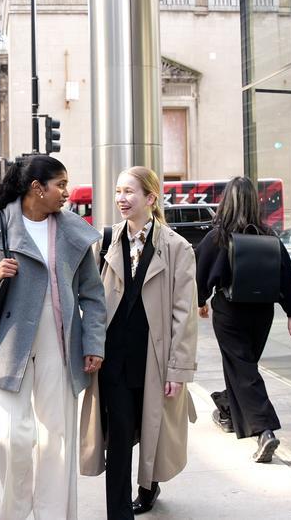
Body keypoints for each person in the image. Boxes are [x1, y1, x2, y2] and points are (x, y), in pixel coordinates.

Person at [0, 155, 106, 520]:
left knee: (57, 437)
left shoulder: (72, 229)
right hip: (12, 346)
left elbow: (92, 294)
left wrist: (93, 344)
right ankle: (14, 513)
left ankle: (54, 514)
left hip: (61, 344)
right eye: (60, 185)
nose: (66, 193)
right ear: (37, 189)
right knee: (14, 437)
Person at [80, 166, 198, 517]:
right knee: (117, 439)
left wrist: (177, 369)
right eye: (118, 191)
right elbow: (91, 299)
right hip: (113, 360)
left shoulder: (177, 248)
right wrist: (91, 346)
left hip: (154, 360)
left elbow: (184, 315)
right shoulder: (104, 242)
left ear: (150, 198)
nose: (121, 199)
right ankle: (119, 513)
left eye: (129, 192)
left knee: (151, 432)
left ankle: (149, 486)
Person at [194, 176, 291, 462]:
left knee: (243, 370)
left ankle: (264, 430)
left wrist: (200, 302)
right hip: (262, 313)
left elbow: (200, 272)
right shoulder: (269, 236)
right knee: (244, 367)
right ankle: (227, 410)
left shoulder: (218, 236)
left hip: (230, 313)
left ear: (226, 201)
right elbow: (286, 278)